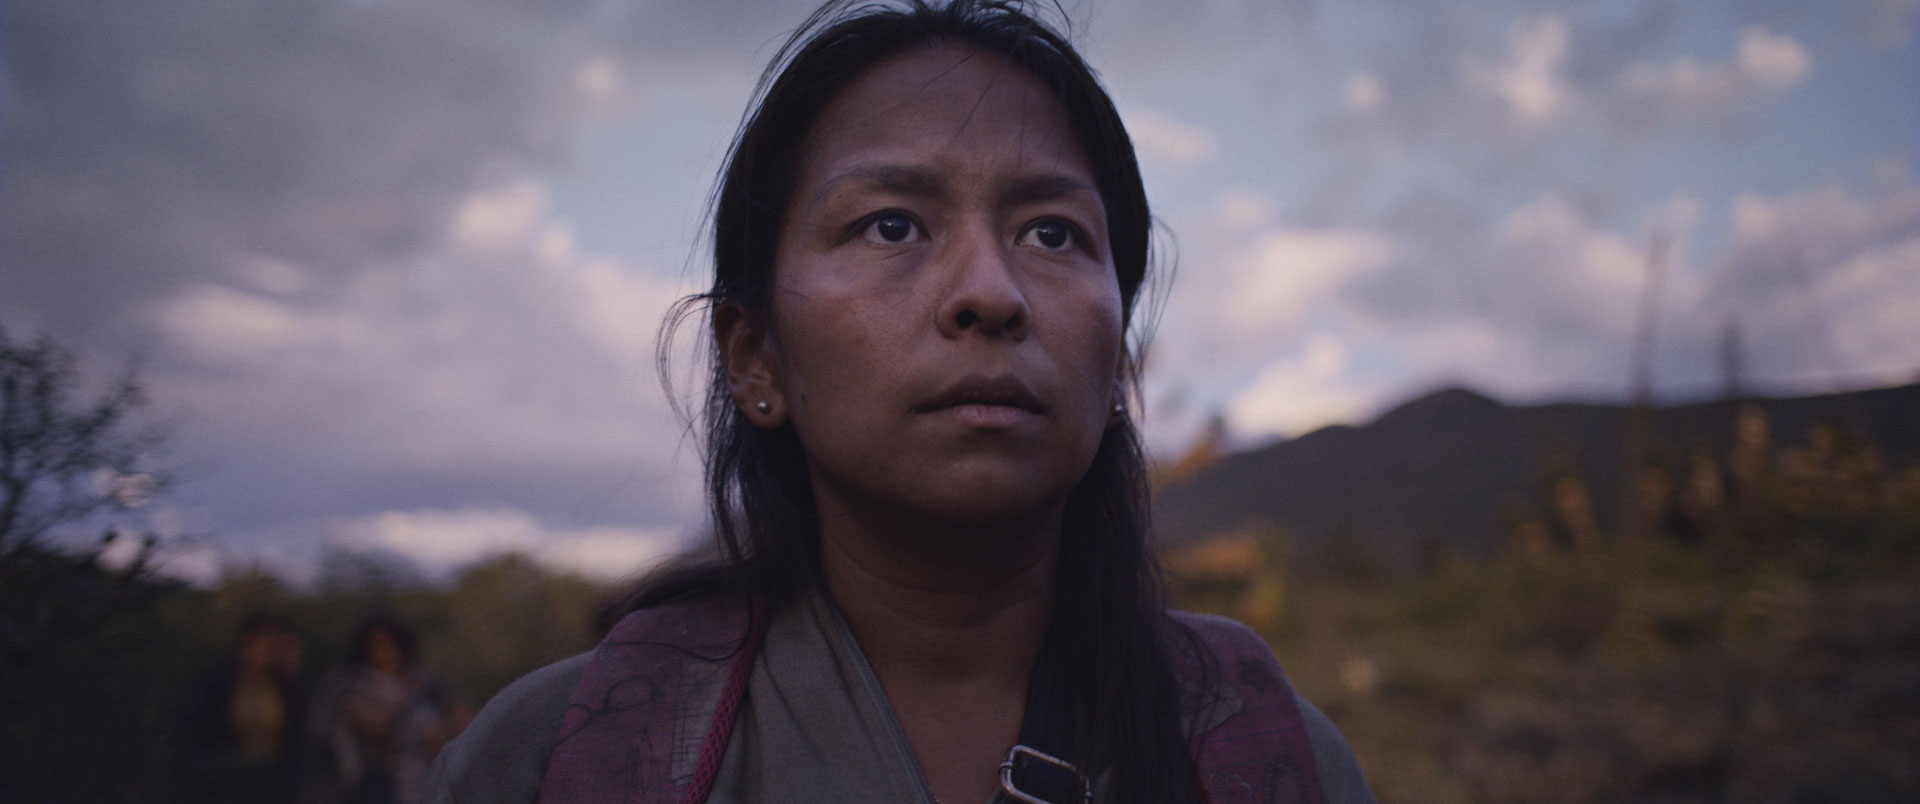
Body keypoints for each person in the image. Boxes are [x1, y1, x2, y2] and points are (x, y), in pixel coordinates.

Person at [430, 2, 1375, 802]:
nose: (991, 292)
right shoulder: (559, 757)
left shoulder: (1263, 751)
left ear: (1117, 359)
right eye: (892, 225)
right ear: (754, 357)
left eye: (1052, 233)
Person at [312, 613, 471, 804]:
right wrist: (411, 703)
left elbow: (460, 716)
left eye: (393, 644)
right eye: (378, 646)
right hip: (374, 783)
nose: (388, 651)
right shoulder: (349, 683)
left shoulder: (425, 679)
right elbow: (375, 726)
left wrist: (449, 737)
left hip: (428, 777)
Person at [182, 613, 309, 803]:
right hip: (225, 786)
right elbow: (196, 734)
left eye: (274, 642)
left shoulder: (286, 687)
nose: (268, 648)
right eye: (262, 640)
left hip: (273, 788)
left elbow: (300, 738)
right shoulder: (220, 684)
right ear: (246, 643)